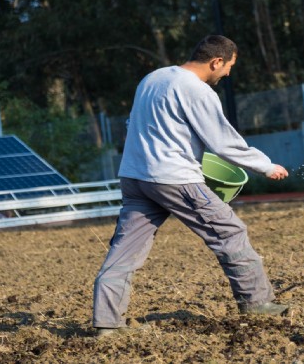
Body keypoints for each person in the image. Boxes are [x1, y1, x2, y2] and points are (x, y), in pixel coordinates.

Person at [92, 35, 290, 338]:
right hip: (174, 178)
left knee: (125, 249)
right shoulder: (196, 90)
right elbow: (223, 142)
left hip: (134, 176)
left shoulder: (152, 78)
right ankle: (257, 303)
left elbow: (133, 125)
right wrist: (266, 165)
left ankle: (107, 323)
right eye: (229, 67)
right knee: (229, 231)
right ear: (216, 62)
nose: (228, 74)